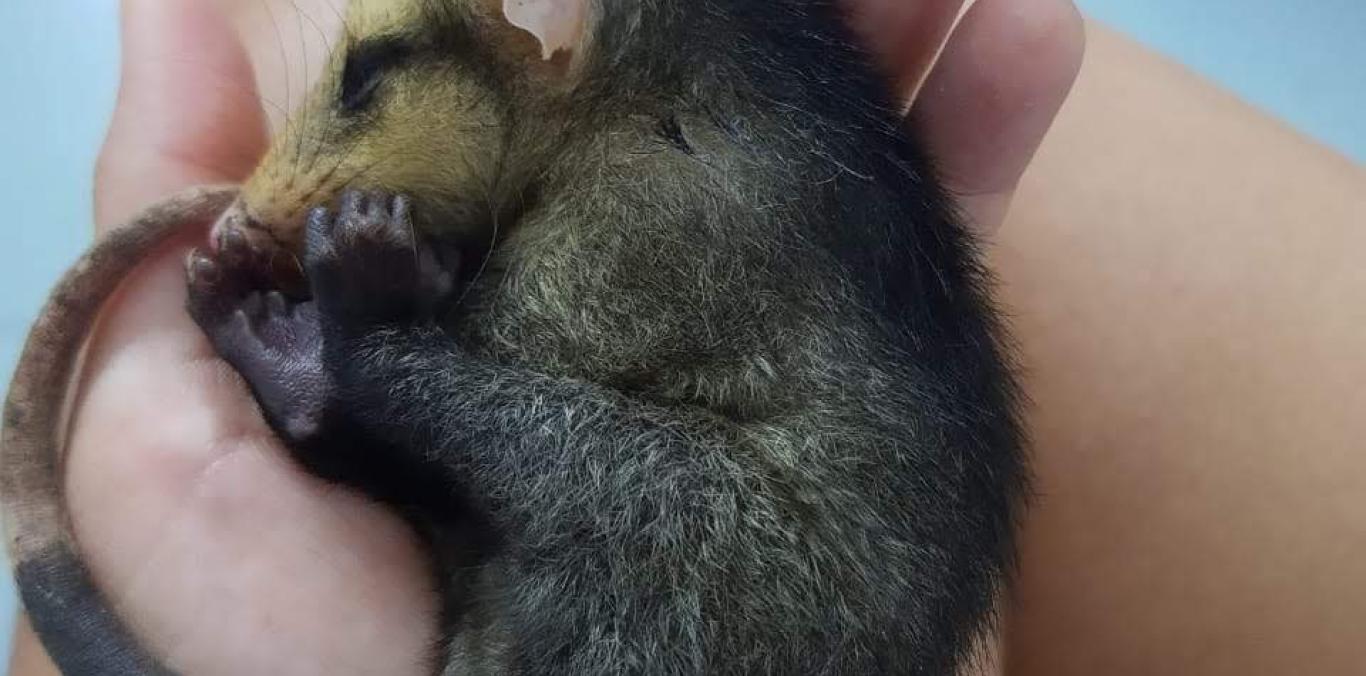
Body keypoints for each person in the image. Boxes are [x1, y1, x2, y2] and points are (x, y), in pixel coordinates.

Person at [10, 0, 1365, 673]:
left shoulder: (658, 196)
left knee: (472, 402)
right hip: (683, 569)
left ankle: (344, 383)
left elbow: (528, 402)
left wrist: (372, 354)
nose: (292, 167)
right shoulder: (657, 148)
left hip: (725, 588)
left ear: (545, 46)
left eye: (360, 95)